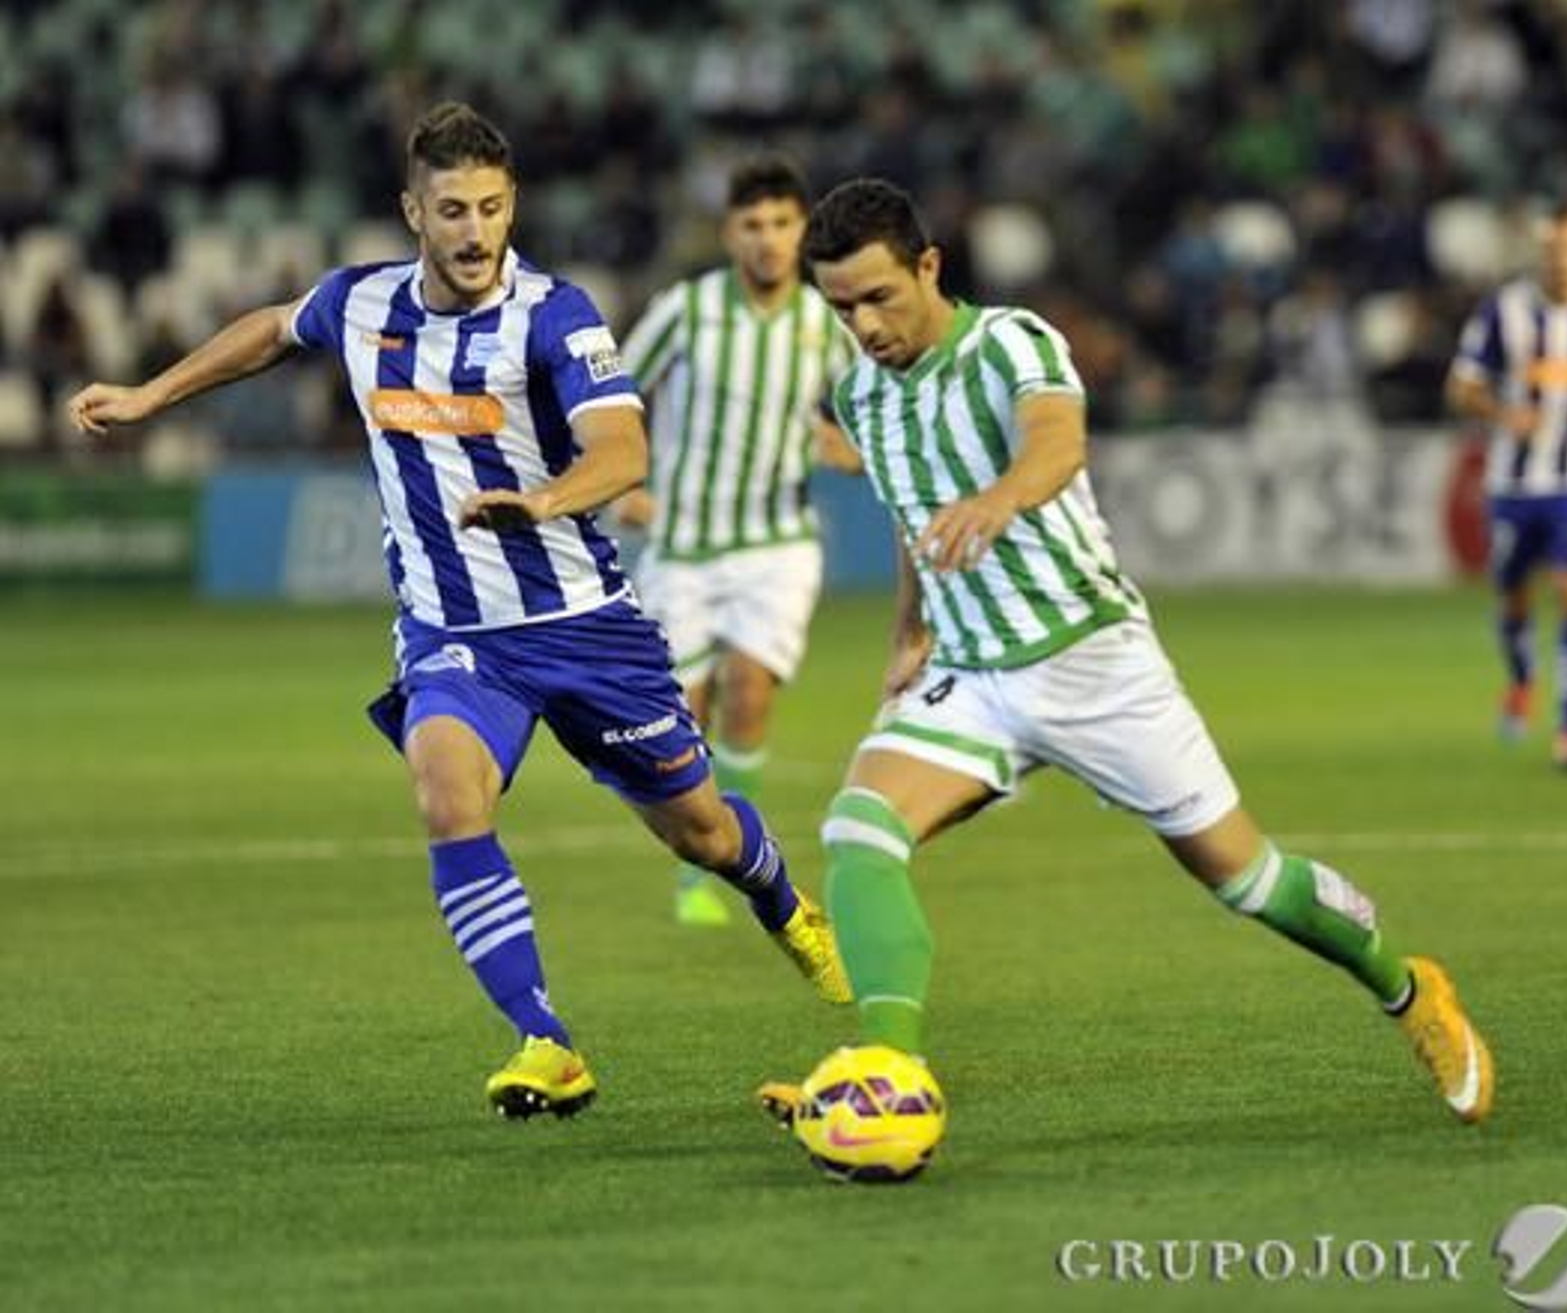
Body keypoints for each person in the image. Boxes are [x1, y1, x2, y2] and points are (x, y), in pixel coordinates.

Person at [67, 102, 849, 1122]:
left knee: (701, 832)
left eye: (490, 207)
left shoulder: (556, 315)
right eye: (452, 211)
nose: (475, 231)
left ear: (511, 204)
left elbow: (624, 450)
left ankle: (785, 901)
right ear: (412, 213)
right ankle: (546, 1039)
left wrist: (548, 496)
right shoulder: (360, 304)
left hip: (584, 627)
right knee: (446, 794)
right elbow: (269, 328)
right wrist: (147, 396)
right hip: (452, 633)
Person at [757, 179, 1494, 1166]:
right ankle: (886, 1067)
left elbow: (1058, 441)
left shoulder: (1011, 343)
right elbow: (908, 508)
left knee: (1246, 878)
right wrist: (910, 626)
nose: (863, 325)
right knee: (858, 825)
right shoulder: (859, 392)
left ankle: (1407, 987)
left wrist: (1002, 501)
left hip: (1095, 663)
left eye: (879, 297)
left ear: (928, 265)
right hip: (974, 672)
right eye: (840, 306)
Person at [618, 155, 861, 926]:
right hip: (683, 543)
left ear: (803, 231)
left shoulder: (827, 323)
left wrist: (849, 451)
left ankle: (739, 868)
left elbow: (875, 416)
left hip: (776, 542)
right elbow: (613, 394)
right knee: (682, 718)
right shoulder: (686, 310)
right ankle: (704, 860)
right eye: (752, 225)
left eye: (782, 224)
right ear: (729, 233)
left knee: (749, 689)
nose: (768, 240)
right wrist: (621, 484)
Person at [1445, 204, 1567, 771]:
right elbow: (1459, 386)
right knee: (1513, 596)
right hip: (1512, 485)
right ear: (1542, 254)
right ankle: (1521, 678)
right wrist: (1500, 410)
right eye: (1554, 249)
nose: (1562, 260)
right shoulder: (1504, 311)